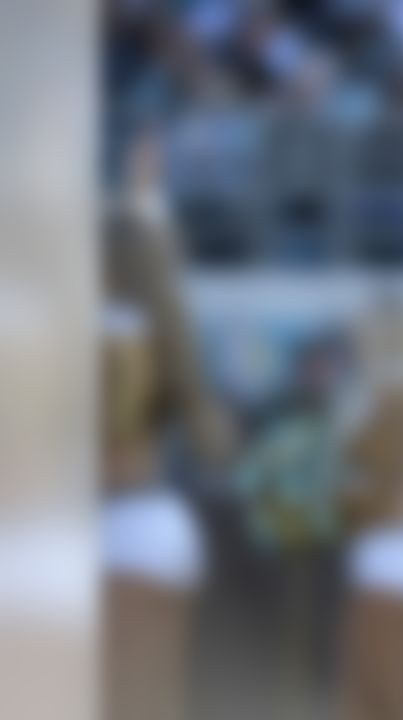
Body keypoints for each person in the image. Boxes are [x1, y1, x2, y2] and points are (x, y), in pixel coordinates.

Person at [102, 133, 231, 720]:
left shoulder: (110, 337)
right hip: (161, 530)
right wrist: (144, 197)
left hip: (112, 532)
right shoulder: (166, 331)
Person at [336, 299, 403, 720]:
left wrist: (338, 497)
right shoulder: (394, 389)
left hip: (392, 550)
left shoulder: (399, 390)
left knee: (386, 693)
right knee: (371, 693)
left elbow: (382, 477)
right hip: (388, 549)